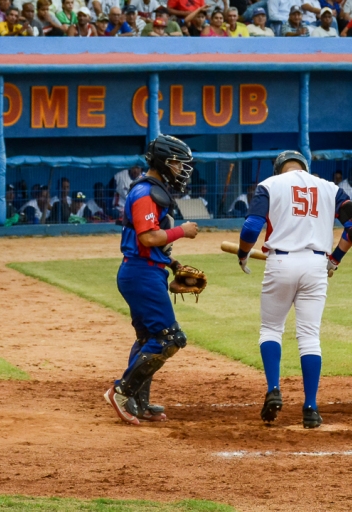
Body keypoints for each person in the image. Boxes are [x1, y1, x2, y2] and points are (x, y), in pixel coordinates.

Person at [236, 150, 352, 429]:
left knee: (271, 329)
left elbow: (252, 227)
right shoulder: (329, 188)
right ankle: (311, 408)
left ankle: (273, 389)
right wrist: (334, 260)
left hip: (280, 262)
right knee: (309, 337)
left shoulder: (269, 185)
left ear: (278, 168)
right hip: (316, 265)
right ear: (304, 167)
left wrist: (243, 253)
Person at [103, 135, 199, 426]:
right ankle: (122, 392)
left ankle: (138, 402)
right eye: (176, 163)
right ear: (163, 162)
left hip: (147, 270)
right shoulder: (145, 192)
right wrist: (182, 231)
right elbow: (147, 238)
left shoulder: (152, 190)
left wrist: (172, 263)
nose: (181, 169)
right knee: (170, 338)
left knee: (149, 338)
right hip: (140, 274)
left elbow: (147, 243)